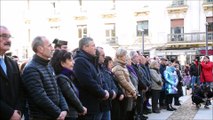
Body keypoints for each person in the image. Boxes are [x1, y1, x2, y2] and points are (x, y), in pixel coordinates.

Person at [22, 36, 68, 120]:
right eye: (49, 46)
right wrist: (58, 113)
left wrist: (64, 109)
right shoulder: (31, 68)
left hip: (56, 115)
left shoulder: (48, 65)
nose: (53, 49)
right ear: (40, 49)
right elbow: (39, 97)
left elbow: (58, 90)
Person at [73, 37, 109, 120]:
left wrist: (105, 91)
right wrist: (103, 93)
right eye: (93, 45)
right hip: (89, 107)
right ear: (85, 47)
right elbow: (88, 82)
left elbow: (100, 78)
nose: (95, 48)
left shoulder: (91, 60)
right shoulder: (80, 61)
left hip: (97, 105)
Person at [51, 50, 87, 120]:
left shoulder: (68, 76)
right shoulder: (61, 78)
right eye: (70, 60)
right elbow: (71, 96)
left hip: (72, 114)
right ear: (62, 63)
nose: (74, 62)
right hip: (69, 115)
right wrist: (81, 108)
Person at [0, 25, 24, 120]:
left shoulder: (13, 63)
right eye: (4, 36)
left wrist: (18, 111)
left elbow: (20, 90)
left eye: (9, 37)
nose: (8, 40)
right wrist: (9, 113)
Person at [112, 47, 137, 120]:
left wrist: (134, 90)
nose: (126, 57)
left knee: (130, 113)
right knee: (125, 114)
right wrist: (132, 91)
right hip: (124, 93)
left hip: (129, 93)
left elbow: (129, 80)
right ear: (120, 56)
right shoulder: (117, 67)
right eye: (125, 55)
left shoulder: (123, 66)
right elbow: (123, 82)